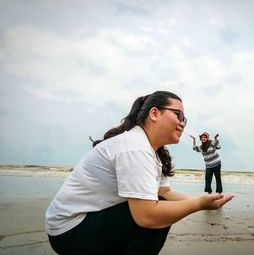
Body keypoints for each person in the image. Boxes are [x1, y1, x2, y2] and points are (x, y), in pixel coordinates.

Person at [45, 91, 233, 255]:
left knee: (161, 205)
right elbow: (147, 216)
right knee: (158, 216)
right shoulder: (135, 147)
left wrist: (201, 199)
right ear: (154, 113)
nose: (183, 123)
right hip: (70, 230)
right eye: (179, 115)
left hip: (86, 222)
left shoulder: (151, 151)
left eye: (185, 119)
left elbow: (164, 192)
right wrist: (199, 204)